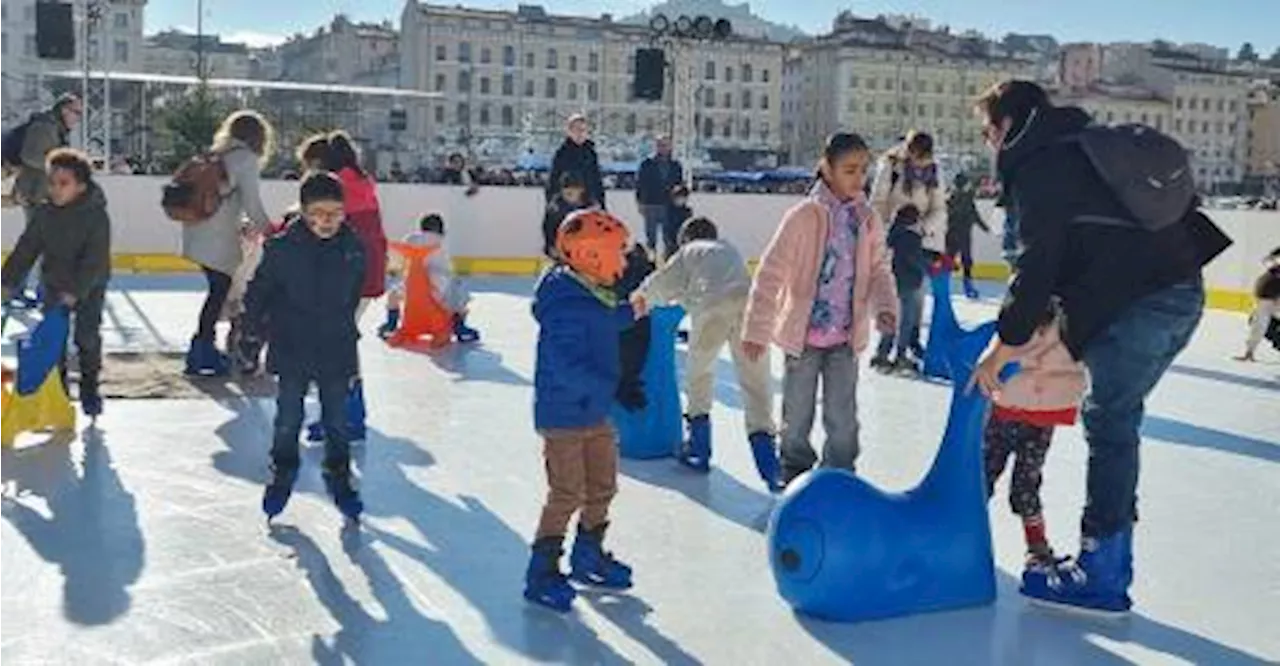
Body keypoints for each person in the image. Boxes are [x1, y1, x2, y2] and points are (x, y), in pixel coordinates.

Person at [970, 80, 1231, 615]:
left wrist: (1005, 343)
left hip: (1142, 301)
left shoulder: (1043, 164)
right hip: (1181, 290)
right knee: (1116, 418)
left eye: (987, 131)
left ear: (1005, 127)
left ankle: (1102, 570)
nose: (988, 143)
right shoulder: (1090, 147)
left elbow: (1037, 264)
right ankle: (1109, 555)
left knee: (1111, 421)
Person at [741, 133, 899, 486]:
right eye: (849, 170)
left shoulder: (867, 219)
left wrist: (885, 307)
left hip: (845, 336)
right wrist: (757, 329)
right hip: (804, 337)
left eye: (863, 171)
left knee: (842, 417)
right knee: (797, 413)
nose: (858, 179)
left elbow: (878, 270)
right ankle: (795, 469)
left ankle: (840, 476)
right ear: (827, 169)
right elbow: (771, 273)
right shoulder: (803, 216)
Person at [524, 208, 635, 613]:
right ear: (591, 257)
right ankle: (541, 572)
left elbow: (603, 322)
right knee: (567, 492)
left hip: (595, 411)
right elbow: (564, 365)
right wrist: (612, 387)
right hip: (565, 417)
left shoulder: (592, 293)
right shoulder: (565, 305)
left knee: (603, 484)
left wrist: (633, 312)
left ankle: (588, 553)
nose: (624, 261)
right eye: (618, 252)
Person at [244, 172, 366, 521]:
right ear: (304, 211)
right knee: (288, 417)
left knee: (337, 420)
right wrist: (252, 331)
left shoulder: (352, 248)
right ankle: (283, 470)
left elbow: (352, 293)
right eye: (319, 212)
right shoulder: (282, 249)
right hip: (293, 344)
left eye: (335, 212)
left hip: (336, 346)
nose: (327, 220)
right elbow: (260, 291)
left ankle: (339, 476)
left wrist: (345, 330)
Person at [630, 216, 781, 492]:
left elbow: (665, 282)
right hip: (749, 308)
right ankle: (770, 465)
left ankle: (699, 448)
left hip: (713, 310)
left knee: (699, 374)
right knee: (755, 382)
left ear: (685, 240)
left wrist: (640, 297)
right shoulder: (729, 249)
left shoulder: (690, 251)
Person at [0, 148, 110, 417]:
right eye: (52, 182)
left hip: (89, 284)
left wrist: (76, 291)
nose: (56, 189)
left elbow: (94, 259)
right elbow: (26, 250)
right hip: (54, 282)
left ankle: (89, 388)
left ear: (81, 186)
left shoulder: (95, 216)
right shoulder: (45, 214)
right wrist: (6, 282)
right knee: (53, 338)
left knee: (86, 336)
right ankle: (59, 390)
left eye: (64, 184)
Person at [984, 303, 1086, 570]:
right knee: (983, 477)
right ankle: (963, 532)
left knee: (1024, 484)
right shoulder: (1024, 309)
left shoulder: (1072, 313)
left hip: (1037, 417)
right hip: (1007, 410)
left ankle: (1037, 545)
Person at [182, 109, 274, 377]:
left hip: (196, 232)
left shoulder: (216, 154)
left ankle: (202, 349)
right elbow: (252, 203)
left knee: (218, 292)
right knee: (220, 293)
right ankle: (203, 351)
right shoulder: (245, 159)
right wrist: (272, 232)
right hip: (217, 238)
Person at [870, 131, 948, 355]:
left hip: (920, 241)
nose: (921, 161)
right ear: (909, 150)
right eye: (917, 156)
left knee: (916, 294)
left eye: (925, 156)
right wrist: (885, 233)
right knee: (892, 294)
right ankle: (886, 344)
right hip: (894, 240)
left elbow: (939, 208)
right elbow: (878, 202)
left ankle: (910, 341)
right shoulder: (892, 167)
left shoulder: (934, 171)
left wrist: (923, 228)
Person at [7, 93, 82, 309]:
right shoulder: (45, 127)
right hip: (35, 193)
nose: (77, 117)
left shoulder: (56, 128)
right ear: (64, 110)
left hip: (43, 193)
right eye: (75, 112)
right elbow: (30, 156)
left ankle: (31, 290)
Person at [378, 213, 480, 343]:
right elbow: (448, 270)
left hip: (413, 285)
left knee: (393, 293)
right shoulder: (441, 241)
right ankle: (459, 325)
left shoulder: (410, 239)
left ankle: (391, 324)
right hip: (438, 286)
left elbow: (401, 260)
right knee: (460, 292)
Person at [870, 205, 927, 375]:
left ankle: (882, 353)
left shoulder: (892, 234)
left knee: (891, 318)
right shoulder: (911, 237)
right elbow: (915, 259)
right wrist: (928, 265)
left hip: (891, 282)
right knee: (906, 321)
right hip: (908, 283)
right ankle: (900, 355)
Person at [635, 136, 684, 256]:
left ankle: (668, 262)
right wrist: (640, 202)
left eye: (666, 145)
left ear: (671, 147)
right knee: (651, 238)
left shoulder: (675, 165)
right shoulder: (647, 164)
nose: (663, 148)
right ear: (656, 146)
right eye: (661, 145)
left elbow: (679, 185)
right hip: (650, 204)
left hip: (669, 206)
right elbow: (640, 184)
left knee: (669, 238)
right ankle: (651, 263)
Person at [946, 172, 991, 299]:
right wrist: (985, 227)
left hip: (955, 233)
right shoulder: (958, 198)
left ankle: (958, 286)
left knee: (956, 260)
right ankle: (967, 287)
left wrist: (985, 227)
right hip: (959, 233)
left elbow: (973, 214)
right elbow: (974, 215)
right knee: (962, 260)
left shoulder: (954, 197)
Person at [546, 114, 605, 208]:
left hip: (588, 203)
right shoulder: (562, 153)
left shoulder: (591, 153)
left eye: (583, 130)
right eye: (576, 129)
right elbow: (553, 180)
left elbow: (596, 181)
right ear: (569, 132)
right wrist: (553, 202)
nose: (580, 133)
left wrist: (600, 203)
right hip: (565, 205)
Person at [1234, 247, 1280, 362]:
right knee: (1258, 324)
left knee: (1260, 324)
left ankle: (1250, 352)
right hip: (1265, 299)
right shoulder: (1273, 269)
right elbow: (1268, 260)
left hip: (1272, 300)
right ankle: (1249, 352)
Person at [542, 172, 594, 258]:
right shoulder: (555, 208)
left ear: (582, 190)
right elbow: (548, 230)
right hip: (561, 251)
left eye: (574, 188)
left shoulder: (591, 208)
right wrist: (551, 246)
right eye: (566, 188)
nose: (569, 191)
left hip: (585, 252)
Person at [666, 184, 693, 261]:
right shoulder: (669, 210)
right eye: (679, 197)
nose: (681, 199)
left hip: (684, 240)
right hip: (672, 241)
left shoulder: (687, 211)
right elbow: (667, 228)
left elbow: (689, 226)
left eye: (684, 197)